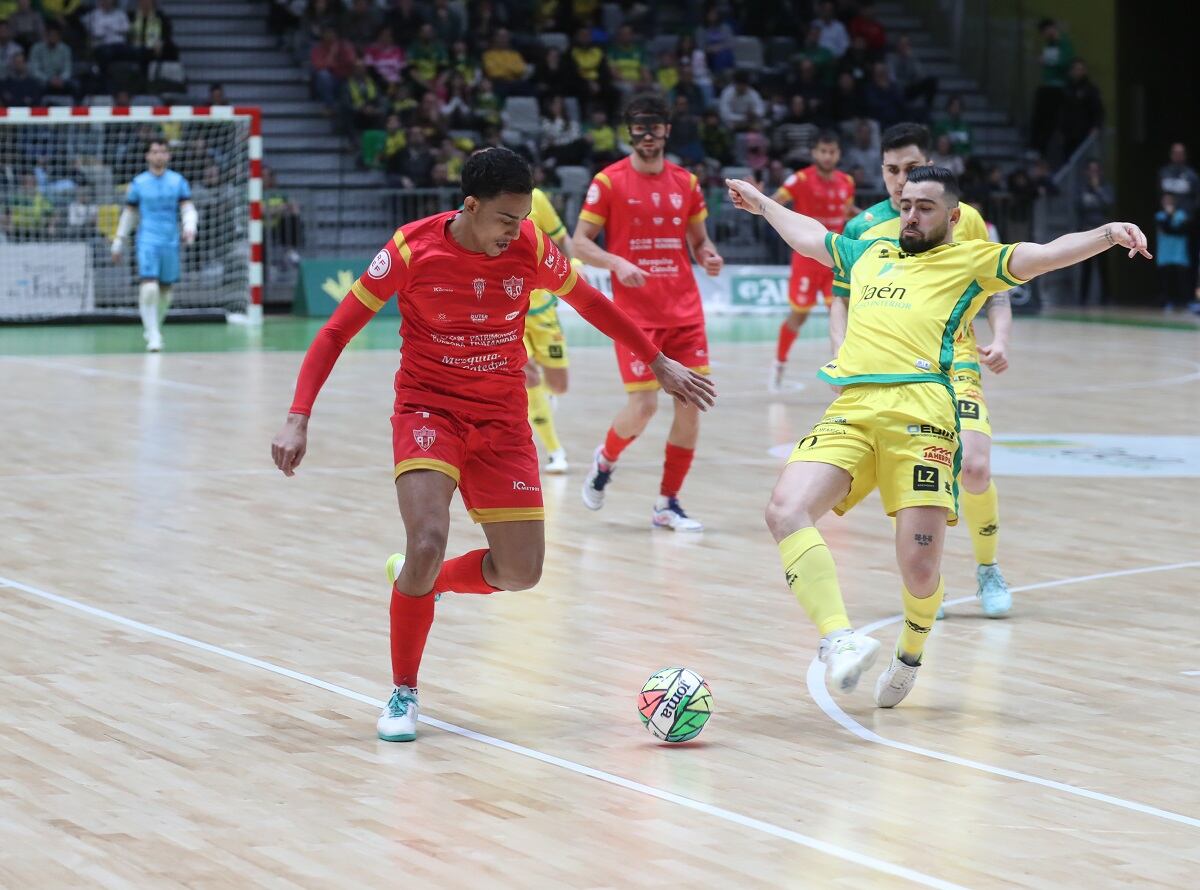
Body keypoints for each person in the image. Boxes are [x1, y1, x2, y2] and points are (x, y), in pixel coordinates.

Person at [270, 148, 715, 742]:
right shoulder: (412, 248)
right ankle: (404, 691)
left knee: (520, 572)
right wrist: (298, 416)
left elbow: (594, 305)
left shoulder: (530, 244)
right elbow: (335, 331)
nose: (516, 230)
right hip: (429, 409)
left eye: (523, 216)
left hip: (502, 421)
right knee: (429, 537)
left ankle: (417, 578)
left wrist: (658, 362)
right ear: (471, 207)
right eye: (506, 218)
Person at [725, 166, 1150, 706]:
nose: (909, 214)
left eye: (924, 207)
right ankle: (838, 639)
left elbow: (1044, 254)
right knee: (784, 509)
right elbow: (809, 234)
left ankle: (909, 653)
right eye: (905, 204)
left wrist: (1107, 233)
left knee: (920, 568)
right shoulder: (870, 252)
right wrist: (762, 202)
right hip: (853, 405)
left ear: (952, 217)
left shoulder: (971, 260)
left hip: (923, 413)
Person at [832, 122, 1012, 618]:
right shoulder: (862, 229)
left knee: (974, 467)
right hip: (888, 374)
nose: (899, 179)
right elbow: (841, 301)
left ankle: (988, 566)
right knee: (915, 479)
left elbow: (994, 287)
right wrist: (844, 358)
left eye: (910, 168)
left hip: (955, 362)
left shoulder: (964, 218)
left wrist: (1001, 338)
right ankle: (928, 577)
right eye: (891, 170)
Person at [573, 94, 725, 531]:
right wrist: (617, 262)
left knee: (691, 406)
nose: (646, 135)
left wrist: (709, 254)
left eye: (654, 126)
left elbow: (699, 241)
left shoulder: (687, 183)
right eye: (638, 127)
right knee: (642, 407)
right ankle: (605, 460)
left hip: (684, 311)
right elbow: (579, 243)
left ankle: (667, 503)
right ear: (629, 132)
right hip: (635, 316)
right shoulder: (608, 182)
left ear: (666, 131)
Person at [769, 129, 855, 391]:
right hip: (806, 260)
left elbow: (849, 212)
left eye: (832, 152)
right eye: (823, 151)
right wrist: (760, 198)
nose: (828, 156)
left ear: (838, 154)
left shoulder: (847, 182)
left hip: (835, 261)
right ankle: (779, 364)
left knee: (841, 315)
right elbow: (776, 202)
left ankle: (845, 370)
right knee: (799, 316)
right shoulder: (799, 179)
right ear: (814, 153)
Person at [111, 138, 197, 352]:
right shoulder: (139, 183)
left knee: (166, 293)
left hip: (170, 241)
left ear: (168, 155)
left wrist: (190, 226)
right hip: (147, 240)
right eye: (154, 151)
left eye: (162, 151)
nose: (158, 155)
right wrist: (118, 241)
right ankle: (154, 335)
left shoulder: (178, 181)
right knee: (149, 287)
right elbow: (129, 214)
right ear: (148, 156)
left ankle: (153, 327)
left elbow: (187, 208)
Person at [523, 187, 573, 473]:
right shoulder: (475, 206)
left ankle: (544, 398)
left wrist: (572, 266)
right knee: (527, 374)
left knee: (559, 385)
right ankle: (555, 451)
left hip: (542, 307)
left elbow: (561, 236)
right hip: (508, 310)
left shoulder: (536, 198)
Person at [1155, 194, 1190, 311]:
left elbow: (1181, 230)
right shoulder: (1160, 216)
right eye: (1165, 201)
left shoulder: (1181, 215)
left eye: (1170, 201)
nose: (1167, 203)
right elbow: (1166, 228)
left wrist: (1171, 218)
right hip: (1165, 254)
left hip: (1179, 254)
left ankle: (1183, 303)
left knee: (1181, 280)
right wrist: (1169, 216)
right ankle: (1166, 302)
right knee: (1166, 281)